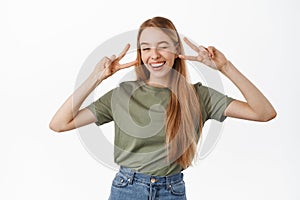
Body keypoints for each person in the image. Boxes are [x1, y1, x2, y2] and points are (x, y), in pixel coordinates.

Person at [49, 16, 276, 200]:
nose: (154, 55)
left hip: (172, 191)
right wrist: (96, 77)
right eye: (146, 48)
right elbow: (59, 124)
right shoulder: (122, 94)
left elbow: (264, 113)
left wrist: (225, 67)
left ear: (176, 50)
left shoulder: (198, 96)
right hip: (127, 190)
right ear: (140, 54)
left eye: (162, 47)